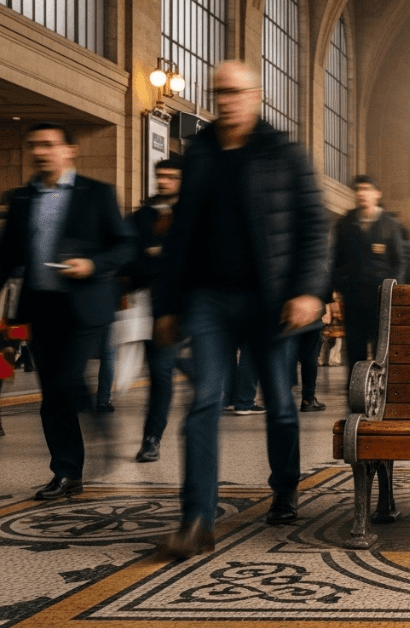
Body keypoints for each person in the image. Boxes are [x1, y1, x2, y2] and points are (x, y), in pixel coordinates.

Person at [152, 61, 329, 557]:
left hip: (269, 300)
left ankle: (286, 486)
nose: (224, 100)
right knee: (205, 401)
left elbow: (315, 229)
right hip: (209, 298)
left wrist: (308, 290)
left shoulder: (285, 153)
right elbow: (181, 236)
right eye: (218, 92)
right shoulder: (201, 151)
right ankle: (197, 521)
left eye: (234, 92)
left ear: (256, 97)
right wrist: (166, 305)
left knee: (279, 403)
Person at [0, 122, 135, 499]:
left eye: (49, 144)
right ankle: (66, 471)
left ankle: (96, 436)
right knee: (52, 394)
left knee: (65, 381)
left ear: (69, 151)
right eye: (34, 145)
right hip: (42, 306)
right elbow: (7, 254)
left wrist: (92, 265)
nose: (40, 151)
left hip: (85, 306)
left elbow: (124, 246)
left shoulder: (97, 194)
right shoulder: (24, 198)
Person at [124, 158, 185, 462]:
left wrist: (154, 254)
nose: (164, 182)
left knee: (162, 373)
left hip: (178, 308)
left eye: (172, 177)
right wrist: (160, 256)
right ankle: (151, 437)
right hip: (144, 306)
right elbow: (127, 257)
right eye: (160, 176)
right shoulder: (140, 218)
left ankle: (152, 437)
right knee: (159, 373)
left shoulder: (191, 216)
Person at [331, 175, 407, 378]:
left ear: (377, 194)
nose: (361, 193)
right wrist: (337, 291)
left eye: (366, 188)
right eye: (358, 189)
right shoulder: (345, 224)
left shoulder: (389, 224)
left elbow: (398, 262)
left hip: (379, 299)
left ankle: (383, 391)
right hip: (353, 298)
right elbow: (336, 261)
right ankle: (355, 396)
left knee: (382, 349)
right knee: (354, 349)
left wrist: (390, 290)